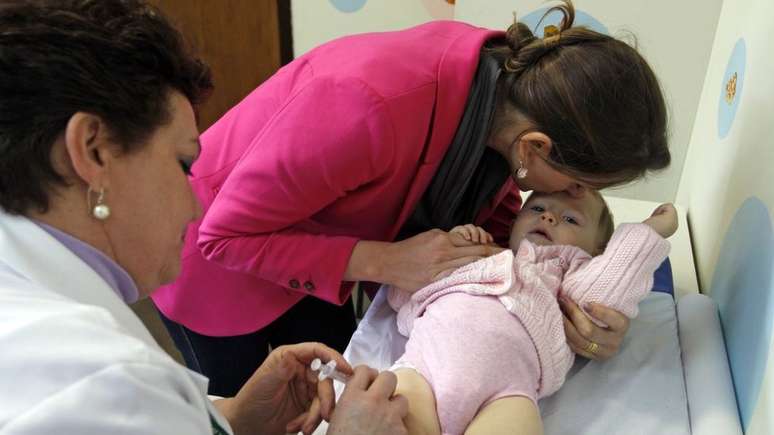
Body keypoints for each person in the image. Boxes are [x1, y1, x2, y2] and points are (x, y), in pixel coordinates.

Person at [152, 0, 671, 398]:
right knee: (247, 406)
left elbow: (494, 211)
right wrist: (388, 261)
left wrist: (561, 301)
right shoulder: (367, 106)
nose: (568, 198)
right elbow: (226, 235)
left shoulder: (500, 97)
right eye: (577, 183)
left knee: (328, 390)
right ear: (535, 148)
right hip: (214, 261)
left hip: (320, 254)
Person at [0, 1, 407, 434]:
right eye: (182, 164)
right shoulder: (100, 382)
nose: (194, 206)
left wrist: (229, 419)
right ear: (93, 149)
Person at [388, 191, 678, 435]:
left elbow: (607, 289)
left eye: (570, 219)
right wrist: (455, 245)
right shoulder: (480, 254)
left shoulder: (568, 279)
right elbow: (403, 291)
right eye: (537, 208)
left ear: (599, 251)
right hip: (423, 370)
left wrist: (648, 230)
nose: (548, 217)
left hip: (505, 396)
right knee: (392, 415)